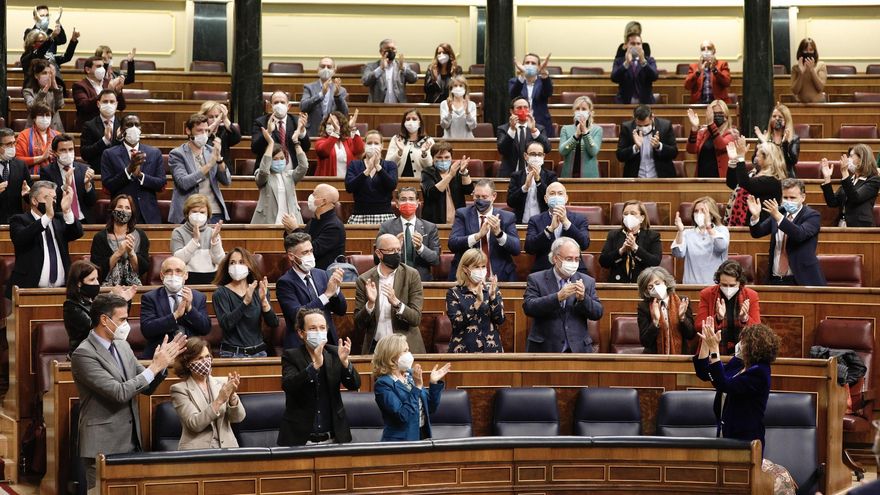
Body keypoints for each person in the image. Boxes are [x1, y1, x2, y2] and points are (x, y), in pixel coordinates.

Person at [71, 294, 186, 494]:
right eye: (122, 320)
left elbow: (147, 386)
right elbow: (118, 392)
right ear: (104, 320)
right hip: (102, 445)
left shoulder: (123, 346)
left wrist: (160, 366)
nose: (127, 325)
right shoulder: (84, 354)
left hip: (131, 443)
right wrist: (154, 367)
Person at [278, 308, 360, 446]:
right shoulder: (291, 356)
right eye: (312, 328)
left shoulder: (335, 352)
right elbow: (289, 385)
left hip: (334, 438)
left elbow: (355, 384)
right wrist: (314, 366)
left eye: (322, 328)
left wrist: (345, 363)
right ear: (301, 333)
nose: (318, 332)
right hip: (301, 440)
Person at [694, 321, 779, 453]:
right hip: (725, 434)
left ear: (754, 347)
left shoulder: (760, 372)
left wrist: (715, 350)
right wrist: (706, 344)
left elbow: (724, 384)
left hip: (745, 442)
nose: (739, 345)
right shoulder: (739, 363)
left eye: (743, 342)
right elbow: (706, 374)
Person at [524, 237, 604, 353]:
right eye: (569, 259)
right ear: (556, 259)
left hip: (578, 350)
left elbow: (597, 313)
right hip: (545, 350)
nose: (573, 263)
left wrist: (583, 299)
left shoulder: (587, 281)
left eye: (577, 259)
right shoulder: (536, 279)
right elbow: (528, 307)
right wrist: (557, 297)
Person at [7, 180, 83, 298]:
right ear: (34, 201)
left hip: (62, 290)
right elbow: (20, 238)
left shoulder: (59, 219)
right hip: (29, 290)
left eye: (54, 198)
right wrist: (47, 217)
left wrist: (67, 211)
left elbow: (77, 233)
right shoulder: (19, 220)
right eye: (48, 198)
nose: (52, 202)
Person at [354, 234, 425, 354]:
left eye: (398, 250)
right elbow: (358, 324)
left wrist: (397, 303)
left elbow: (416, 318)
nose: (396, 254)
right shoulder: (364, 280)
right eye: (391, 250)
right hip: (376, 349)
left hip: (406, 347)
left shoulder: (411, 275)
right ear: (379, 253)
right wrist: (370, 304)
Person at [372, 333, 451, 441]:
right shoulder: (383, 384)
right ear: (391, 356)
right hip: (401, 442)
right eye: (405, 351)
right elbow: (402, 416)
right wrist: (417, 387)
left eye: (408, 350)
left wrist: (433, 383)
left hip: (422, 436)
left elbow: (430, 408)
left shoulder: (410, 375)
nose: (409, 354)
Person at [170, 337, 245, 449]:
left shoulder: (223, 383)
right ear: (187, 363)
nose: (205, 361)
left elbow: (238, 418)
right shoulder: (179, 390)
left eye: (207, 357)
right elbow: (194, 424)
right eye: (200, 358)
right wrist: (219, 400)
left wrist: (232, 398)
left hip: (228, 448)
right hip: (197, 451)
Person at [749, 178, 826, 286]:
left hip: (801, 279)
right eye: (785, 197)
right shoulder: (780, 212)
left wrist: (778, 217)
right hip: (775, 278)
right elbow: (757, 233)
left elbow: (799, 234)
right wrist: (755, 217)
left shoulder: (812, 215)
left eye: (793, 198)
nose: (788, 201)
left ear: (803, 197)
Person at [276, 233, 346, 349]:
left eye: (311, 251)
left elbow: (341, 310)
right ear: (291, 256)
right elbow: (297, 314)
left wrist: (336, 290)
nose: (310, 255)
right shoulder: (285, 283)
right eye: (305, 253)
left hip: (328, 343)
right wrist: (327, 295)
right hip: (301, 346)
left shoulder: (321, 274)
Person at [448, 179, 520, 282]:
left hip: (499, 276)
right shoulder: (463, 214)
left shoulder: (507, 217)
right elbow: (453, 244)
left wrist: (499, 234)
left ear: (493, 196)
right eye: (477, 197)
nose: (480, 200)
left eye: (484, 197)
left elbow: (516, 249)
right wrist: (477, 236)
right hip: (467, 276)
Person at [139, 256, 211, 358]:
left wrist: (190, 308)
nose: (173, 275)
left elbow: (205, 328)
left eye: (178, 271)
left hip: (190, 354)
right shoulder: (150, 298)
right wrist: (175, 315)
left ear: (186, 275)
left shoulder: (198, 297)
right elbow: (147, 330)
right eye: (169, 271)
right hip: (160, 353)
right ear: (161, 276)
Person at [100, 114, 167, 224]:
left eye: (137, 125)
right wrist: (128, 170)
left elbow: (161, 183)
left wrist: (141, 175)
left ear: (141, 129)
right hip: (121, 213)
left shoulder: (154, 153)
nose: (134, 128)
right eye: (129, 125)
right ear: (121, 130)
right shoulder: (109, 154)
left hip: (148, 215)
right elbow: (108, 185)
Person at [212, 248, 278, 358]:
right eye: (232, 263)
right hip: (232, 353)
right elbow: (226, 324)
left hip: (259, 353)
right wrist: (245, 302)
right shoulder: (221, 293)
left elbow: (274, 323)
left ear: (249, 266)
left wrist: (264, 302)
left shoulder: (259, 290)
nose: (236, 266)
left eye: (241, 262)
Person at [63, 260, 136, 354]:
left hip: (106, 352)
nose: (96, 283)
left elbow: (118, 323)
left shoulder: (96, 300)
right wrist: (112, 300)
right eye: (92, 280)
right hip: (84, 355)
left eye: (97, 279)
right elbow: (96, 328)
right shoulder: (71, 306)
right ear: (79, 283)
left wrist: (121, 302)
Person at [169, 114, 231, 224]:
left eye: (206, 131)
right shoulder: (177, 154)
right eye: (199, 130)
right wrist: (209, 164)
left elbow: (227, 181)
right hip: (188, 212)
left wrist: (219, 160)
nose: (203, 134)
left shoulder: (211, 150)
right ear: (188, 131)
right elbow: (184, 183)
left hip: (213, 211)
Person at [696, 260, 761, 356]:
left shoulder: (751, 295)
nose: (728, 288)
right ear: (718, 281)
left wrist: (745, 319)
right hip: (714, 350)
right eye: (724, 285)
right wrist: (717, 319)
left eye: (732, 285)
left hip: (743, 352)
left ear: (740, 283)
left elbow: (758, 330)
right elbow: (698, 326)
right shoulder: (707, 294)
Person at [524, 182, 590, 274]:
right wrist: (549, 230)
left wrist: (566, 223)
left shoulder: (579, 219)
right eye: (552, 194)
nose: (556, 196)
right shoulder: (535, 220)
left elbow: (584, 244)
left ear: (566, 198)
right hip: (544, 270)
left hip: (574, 270)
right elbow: (529, 248)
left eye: (560, 193)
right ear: (546, 199)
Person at [446, 248, 504, 353]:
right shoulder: (454, 293)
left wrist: (493, 297)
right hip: (464, 350)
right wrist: (477, 303)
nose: (481, 271)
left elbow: (500, 319)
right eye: (476, 267)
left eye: (483, 267)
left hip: (491, 351)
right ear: (465, 269)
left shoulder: (492, 289)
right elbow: (456, 324)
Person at [378, 187, 441, 281]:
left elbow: (435, 260)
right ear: (397, 204)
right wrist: (394, 250)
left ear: (417, 203)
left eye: (411, 199)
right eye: (403, 199)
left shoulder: (430, 227)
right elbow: (376, 259)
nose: (407, 202)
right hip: (394, 279)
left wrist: (420, 248)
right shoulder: (387, 227)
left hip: (421, 280)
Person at [251, 123, 308, 225]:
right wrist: (270, 144)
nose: (279, 161)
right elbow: (263, 172)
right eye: (275, 159)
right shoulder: (261, 175)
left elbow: (303, 167)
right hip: (268, 221)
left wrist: (296, 142)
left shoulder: (290, 176)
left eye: (282, 158)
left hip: (291, 221)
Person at [725, 136, 786, 226]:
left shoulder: (772, 180)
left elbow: (745, 183)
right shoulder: (754, 174)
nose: (755, 158)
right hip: (744, 223)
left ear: (767, 158)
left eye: (758, 155)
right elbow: (733, 183)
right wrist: (733, 160)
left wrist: (741, 157)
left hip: (760, 227)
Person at [89, 194, 149, 285]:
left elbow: (143, 269)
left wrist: (131, 253)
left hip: (134, 286)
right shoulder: (100, 237)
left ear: (132, 212)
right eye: (120, 207)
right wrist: (118, 253)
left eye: (127, 208)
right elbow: (98, 270)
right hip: (108, 288)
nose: (123, 210)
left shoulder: (140, 235)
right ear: (113, 211)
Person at [599, 199, 661, 283]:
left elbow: (655, 262)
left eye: (633, 213)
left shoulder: (652, 236)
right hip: (617, 283)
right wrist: (621, 251)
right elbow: (603, 261)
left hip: (643, 284)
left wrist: (635, 248)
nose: (628, 217)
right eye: (625, 214)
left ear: (642, 218)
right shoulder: (613, 235)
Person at [636, 266, 695, 354]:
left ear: (666, 283)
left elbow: (690, 335)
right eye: (650, 287)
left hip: (680, 356)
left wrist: (682, 318)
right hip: (654, 358)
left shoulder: (682, 301)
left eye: (657, 283)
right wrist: (655, 322)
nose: (655, 288)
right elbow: (645, 342)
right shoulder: (644, 307)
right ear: (646, 291)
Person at [39, 134, 96, 224]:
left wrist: (87, 185)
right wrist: (65, 186)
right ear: (54, 153)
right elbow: (49, 202)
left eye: (70, 149)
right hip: (60, 220)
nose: (68, 153)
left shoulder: (85, 169)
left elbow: (91, 202)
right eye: (63, 150)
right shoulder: (47, 172)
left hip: (84, 219)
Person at [671, 196, 729, 285]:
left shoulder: (721, 230)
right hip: (691, 286)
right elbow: (678, 254)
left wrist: (709, 226)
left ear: (712, 214)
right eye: (696, 211)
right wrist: (680, 231)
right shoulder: (687, 233)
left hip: (714, 287)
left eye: (703, 211)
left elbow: (721, 247)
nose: (699, 214)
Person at [170, 194, 226, 285]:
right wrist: (195, 240)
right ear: (187, 213)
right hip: (187, 277)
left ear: (208, 214)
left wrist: (215, 240)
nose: (198, 215)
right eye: (194, 211)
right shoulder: (178, 232)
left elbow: (219, 260)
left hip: (211, 277)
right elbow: (178, 260)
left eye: (202, 212)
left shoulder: (213, 232)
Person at [345, 129, 397, 224]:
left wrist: (378, 167)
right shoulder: (354, 165)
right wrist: (367, 171)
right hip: (360, 215)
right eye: (369, 143)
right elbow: (349, 187)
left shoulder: (390, 165)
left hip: (385, 215)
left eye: (376, 143)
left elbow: (392, 185)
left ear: (382, 146)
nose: (373, 146)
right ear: (364, 145)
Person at [821, 144, 880, 227]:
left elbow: (855, 198)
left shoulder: (873, 180)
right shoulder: (851, 179)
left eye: (851, 156)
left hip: (861, 227)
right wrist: (827, 178)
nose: (848, 160)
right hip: (842, 224)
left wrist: (845, 173)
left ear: (862, 159)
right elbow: (832, 202)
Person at [420, 140, 473, 225]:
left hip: (457, 220)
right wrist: (450, 175)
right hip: (434, 221)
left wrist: (464, 172)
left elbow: (469, 190)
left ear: (451, 157)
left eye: (446, 157)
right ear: (433, 158)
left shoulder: (457, 171)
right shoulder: (427, 172)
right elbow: (432, 193)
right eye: (439, 157)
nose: (443, 160)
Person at [617, 104, 678, 178]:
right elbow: (620, 156)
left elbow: (674, 153)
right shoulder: (627, 128)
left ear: (652, 117)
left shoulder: (665, 126)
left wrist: (659, 146)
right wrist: (635, 147)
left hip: (661, 178)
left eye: (646, 125)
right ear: (634, 118)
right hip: (635, 178)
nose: (643, 129)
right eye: (640, 125)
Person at [496, 96, 551, 177]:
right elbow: (502, 150)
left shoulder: (539, 128)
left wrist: (534, 131)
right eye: (519, 108)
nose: (523, 110)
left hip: (534, 174)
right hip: (509, 175)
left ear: (530, 110)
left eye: (526, 107)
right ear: (511, 111)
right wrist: (511, 130)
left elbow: (547, 148)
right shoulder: (503, 129)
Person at [20, 20, 79, 94]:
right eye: (42, 41)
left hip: (53, 91)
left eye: (45, 41)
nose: (45, 43)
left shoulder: (49, 55)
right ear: (32, 43)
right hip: (34, 93)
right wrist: (52, 36)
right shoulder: (27, 57)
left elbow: (66, 57)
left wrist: (73, 40)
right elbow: (39, 54)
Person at [507, 141, 558, 224]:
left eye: (540, 154)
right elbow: (510, 202)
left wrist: (538, 181)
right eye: (533, 154)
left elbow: (552, 201)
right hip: (521, 223)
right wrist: (525, 188)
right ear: (525, 156)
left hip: (543, 224)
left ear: (543, 156)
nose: (536, 157)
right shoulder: (516, 176)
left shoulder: (551, 176)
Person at [250, 90, 311, 158]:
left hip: (293, 167)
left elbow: (306, 148)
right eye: (276, 102)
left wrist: (302, 132)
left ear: (288, 106)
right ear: (271, 106)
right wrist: (268, 132)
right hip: (268, 166)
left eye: (282, 102)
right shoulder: (261, 122)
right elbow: (255, 149)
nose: (279, 105)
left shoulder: (297, 121)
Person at [299, 57, 350, 137]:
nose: (326, 69)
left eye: (329, 67)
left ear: (334, 71)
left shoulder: (341, 90)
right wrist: (321, 94)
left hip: (333, 132)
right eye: (323, 66)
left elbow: (345, 112)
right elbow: (303, 106)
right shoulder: (309, 87)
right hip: (313, 131)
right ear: (318, 69)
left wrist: (337, 96)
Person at [686, 100, 737, 178]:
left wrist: (711, 125)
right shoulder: (703, 132)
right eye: (714, 114)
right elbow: (691, 150)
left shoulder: (731, 134)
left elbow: (721, 145)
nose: (716, 116)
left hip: (721, 180)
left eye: (720, 113)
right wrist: (694, 129)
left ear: (726, 117)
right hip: (701, 178)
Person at [72, 56, 127, 127]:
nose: (102, 69)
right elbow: (84, 106)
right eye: (98, 66)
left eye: (103, 66)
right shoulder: (79, 85)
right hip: (89, 126)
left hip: (109, 124)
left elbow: (121, 107)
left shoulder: (108, 82)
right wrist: (108, 90)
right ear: (88, 69)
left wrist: (118, 91)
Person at [509, 52, 554, 137]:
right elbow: (513, 95)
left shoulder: (544, 82)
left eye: (533, 63)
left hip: (541, 124)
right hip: (519, 124)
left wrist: (544, 74)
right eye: (527, 63)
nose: (530, 65)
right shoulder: (514, 81)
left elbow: (548, 93)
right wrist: (522, 75)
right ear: (522, 65)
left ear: (538, 67)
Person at [558, 95, 603, 178]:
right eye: (577, 109)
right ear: (574, 111)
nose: (580, 111)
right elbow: (562, 151)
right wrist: (576, 136)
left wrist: (585, 132)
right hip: (568, 175)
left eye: (584, 109)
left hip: (590, 177)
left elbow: (593, 151)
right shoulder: (566, 129)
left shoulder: (597, 130)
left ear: (589, 112)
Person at [362, 38, 418, 103]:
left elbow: (414, 79)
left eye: (393, 49)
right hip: (377, 106)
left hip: (398, 106)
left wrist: (403, 69)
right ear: (381, 51)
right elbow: (365, 81)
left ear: (396, 51)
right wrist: (380, 68)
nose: (391, 51)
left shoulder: (403, 65)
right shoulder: (371, 66)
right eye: (387, 49)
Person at [305, 183, 346, 270]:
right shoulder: (314, 220)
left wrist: (294, 229)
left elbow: (311, 250)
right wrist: (290, 231)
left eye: (314, 194)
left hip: (326, 275)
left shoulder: (334, 226)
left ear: (323, 202)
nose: (311, 197)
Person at [80, 89, 123, 169]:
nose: (108, 104)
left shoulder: (123, 125)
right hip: (98, 170)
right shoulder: (89, 125)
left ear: (116, 104)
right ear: (98, 104)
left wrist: (119, 139)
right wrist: (104, 141)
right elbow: (85, 154)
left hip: (119, 170)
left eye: (112, 102)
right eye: (105, 101)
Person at [754, 104, 800, 178]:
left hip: (785, 176)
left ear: (786, 120)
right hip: (766, 176)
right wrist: (764, 143)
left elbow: (792, 161)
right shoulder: (764, 137)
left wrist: (785, 144)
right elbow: (755, 160)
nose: (776, 119)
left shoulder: (793, 139)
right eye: (774, 116)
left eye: (780, 117)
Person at [385, 109, 434, 179]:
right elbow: (388, 164)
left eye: (414, 119)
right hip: (399, 181)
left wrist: (424, 153)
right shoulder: (397, 139)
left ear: (420, 123)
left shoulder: (428, 140)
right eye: (408, 119)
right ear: (404, 123)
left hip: (421, 182)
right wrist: (399, 152)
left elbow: (430, 167)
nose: (411, 122)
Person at [0, 128, 35, 224]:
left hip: (16, 221)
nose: (12, 147)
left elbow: (32, 194)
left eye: (14, 143)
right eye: (8, 144)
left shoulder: (21, 165)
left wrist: (28, 193)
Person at [611, 33, 658, 104]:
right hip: (624, 103)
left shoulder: (650, 60)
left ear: (642, 45)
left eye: (638, 44)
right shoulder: (619, 61)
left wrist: (643, 62)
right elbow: (614, 78)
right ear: (626, 45)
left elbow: (654, 76)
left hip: (646, 103)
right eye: (632, 44)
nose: (636, 46)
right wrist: (626, 63)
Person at [315, 110, 364, 177]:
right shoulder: (321, 141)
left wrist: (352, 128)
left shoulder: (347, 141)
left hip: (347, 181)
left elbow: (359, 150)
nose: (333, 126)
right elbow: (324, 151)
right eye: (329, 124)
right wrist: (335, 132)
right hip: (328, 182)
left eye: (336, 123)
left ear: (341, 126)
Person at [15, 102, 60, 174]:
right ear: (34, 118)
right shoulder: (24, 135)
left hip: (54, 176)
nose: (45, 118)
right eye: (41, 115)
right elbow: (18, 160)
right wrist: (42, 158)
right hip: (32, 176)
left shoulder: (57, 135)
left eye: (48, 115)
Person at [22, 59, 64, 131]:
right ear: (36, 75)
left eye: (50, 73)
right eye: (44, 73)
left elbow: (60, 105)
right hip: (34, 129)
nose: (48, 76)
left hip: (54, 128)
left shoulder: (55, 91)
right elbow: (32, 107)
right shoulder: (28, 91)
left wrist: (54, 84)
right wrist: (45, 89)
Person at [199, 101, 241, 172]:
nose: (215, 119)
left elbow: (237, 137)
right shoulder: (199, 132)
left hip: (224, 171)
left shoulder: (223, 131)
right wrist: (215, 123)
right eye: (211, 117)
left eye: (217, 116)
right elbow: (203, 140)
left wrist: (225, 118)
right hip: (206, 170)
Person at [791, 38, 827, 103]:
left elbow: (820, 88)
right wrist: (801, 73)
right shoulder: (795, 68)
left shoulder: (821, 65)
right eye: (805, 50)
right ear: (801, 51)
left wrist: (812, 70)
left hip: (818, 104)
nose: (808, 52)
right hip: (800, 105)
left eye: (811, 50)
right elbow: (795, 91)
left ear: (814, 51)